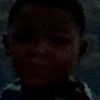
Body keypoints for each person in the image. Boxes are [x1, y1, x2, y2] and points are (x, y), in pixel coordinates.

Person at [0, 0, 95, 100]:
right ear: (7, 45)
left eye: (58, 40)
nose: (40, 50)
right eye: (24, 39)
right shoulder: (8, 95)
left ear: (80, 50)